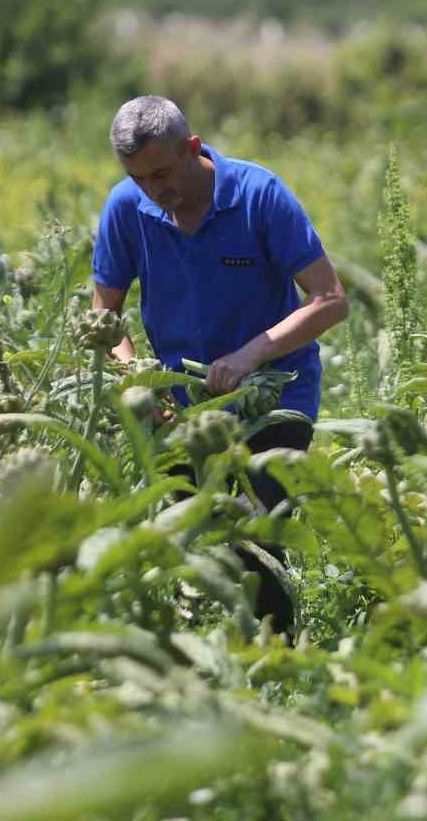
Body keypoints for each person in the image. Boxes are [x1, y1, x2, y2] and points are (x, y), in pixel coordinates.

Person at [91, 95, 349, 629]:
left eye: (162, 173)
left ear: (192, 148)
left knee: (258, 542)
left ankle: (276, 664)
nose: (154, 191)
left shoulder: (258, 195)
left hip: (273, 399)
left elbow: (330, 300)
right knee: (182, 537)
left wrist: (252, 353)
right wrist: (137, 379)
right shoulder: (126, 208)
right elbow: (104, 317)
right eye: (139, 179)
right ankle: (194, 659)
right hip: (180, 411)